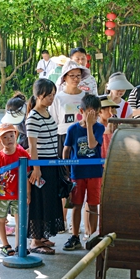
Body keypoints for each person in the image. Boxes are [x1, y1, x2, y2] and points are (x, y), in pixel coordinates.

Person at [52, 59, 91, 231]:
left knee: (78, 179)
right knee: (63, 179)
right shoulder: (57, 98)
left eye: (78, 76)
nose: (75, 79)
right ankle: (62, 221)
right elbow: (53, 121)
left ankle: (79, 224)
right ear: (64, 78)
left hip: (81, 139)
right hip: (62, 138)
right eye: (72, 76)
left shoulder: (85, 97)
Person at [26, 79, 64, 254]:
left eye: (53, 95)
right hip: (40, 164)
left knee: (49, 200)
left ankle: (42, 236)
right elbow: (32, 145)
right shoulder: (33, 117)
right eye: (48, 95)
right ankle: (35, 240)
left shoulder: (48, 113)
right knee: (39, 201)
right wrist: (36, 168)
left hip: (52, 163)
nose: (51, 98)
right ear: (38, 95)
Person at [62, 94, 104, 250]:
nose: (92, 117)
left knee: (93, 205)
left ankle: (92, 235)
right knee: (77, 204)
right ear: (82, 111)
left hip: (94, 173)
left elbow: (92, 145)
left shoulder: (99, 128)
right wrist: (66, 170)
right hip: (77, 173)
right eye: (89, 113)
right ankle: (74, 236)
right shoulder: (73, 129)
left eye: (95, 113)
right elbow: (66, 149)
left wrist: (91, 125)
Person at [0, 124, 30, 256]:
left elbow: (26, 175)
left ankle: (19, 245)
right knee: (1, 219)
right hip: (2, 194)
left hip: (18, 194)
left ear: (16, 135)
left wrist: (27, 194)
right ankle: (5, 244)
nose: (9, 139)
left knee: (19, 218)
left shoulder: (22, 153)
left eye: (11, 135)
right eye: (4, 137)